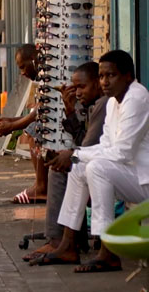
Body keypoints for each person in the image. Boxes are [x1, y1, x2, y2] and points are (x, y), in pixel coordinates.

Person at [52, 50, 149, 273]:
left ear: (127, 76)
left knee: (97, 167)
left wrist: (75, 153)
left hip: (143, 180)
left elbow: (122, 153)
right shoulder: (114, 102)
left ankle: (108, 252)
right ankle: (68, 244)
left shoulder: (137, 98)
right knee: (80, 167)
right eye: (102, 76)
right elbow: (106, 145)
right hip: (129, 176)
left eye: (110, 75)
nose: (104, 82)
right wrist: (74, 154)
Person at [25, 62, 106, 264]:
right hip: (101, 164)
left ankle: (58, 241)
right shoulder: (93, 106)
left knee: (63, 170)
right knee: (64, 167)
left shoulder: (103, 105)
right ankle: (62, 241)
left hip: (112, 170)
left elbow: (87, 148)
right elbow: (84, 143)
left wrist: (70, 155)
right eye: (75, 87)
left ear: (97, 84)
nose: (77, 93)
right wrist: (70, 112)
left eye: (82, 87)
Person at [0, 44, 46, 204]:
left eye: (23, 67)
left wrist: (13, 126)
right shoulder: (43, 77)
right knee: (33, 129)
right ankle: (42, 184)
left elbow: (42, 111)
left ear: (34, 60)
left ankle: (42, 186)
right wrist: (12, 121)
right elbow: (40, 109)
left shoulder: (47, 75)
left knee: (33, 131)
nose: (22, 73)